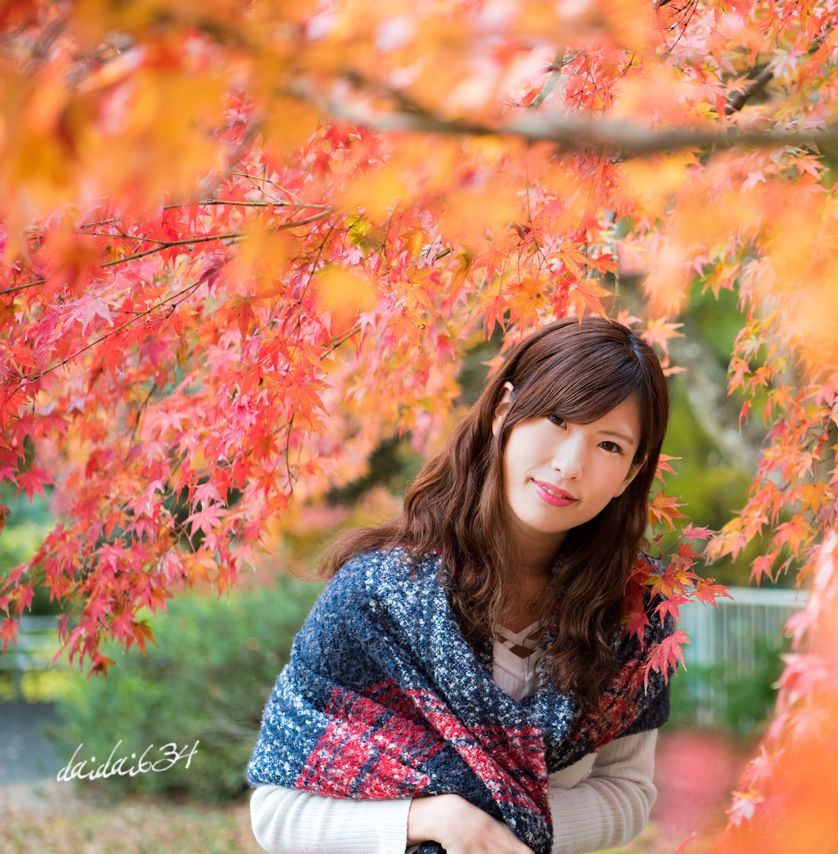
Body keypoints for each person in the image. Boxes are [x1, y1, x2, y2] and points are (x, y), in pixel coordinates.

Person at [245, 315, 676, 854]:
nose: (570, 466)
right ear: (503, 414)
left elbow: (626, 792)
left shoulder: (634, 617)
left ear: (631, 474)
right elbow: (278, 812)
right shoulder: (378, 595)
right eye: (558, 420)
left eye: (608, 446)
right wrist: (442, 820)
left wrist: (505, 828)